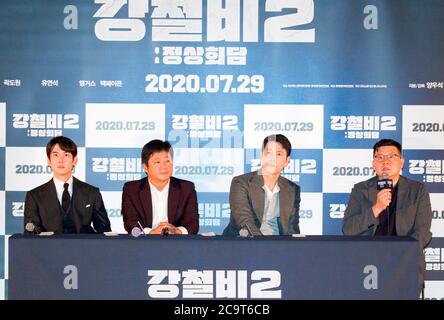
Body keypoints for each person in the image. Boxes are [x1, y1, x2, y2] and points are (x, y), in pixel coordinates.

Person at [342, 138, 432, 293]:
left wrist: (400, 254)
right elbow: (348, 229)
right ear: (373, 163)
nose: (385, 161)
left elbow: (423, 232)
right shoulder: (360, 189)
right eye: (380, 157)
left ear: (402, 162)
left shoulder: (417, 190)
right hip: (367, 265)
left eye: (391, 156)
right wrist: (376, 208)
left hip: (405, 263)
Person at [24, 136, 111, 234]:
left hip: (84, 248)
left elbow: (104, 230)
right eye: (56, 155)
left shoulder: (92, 193)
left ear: (75, 160)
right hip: (48, 248)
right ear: (49, 161)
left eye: (66, 155)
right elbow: (31, 233)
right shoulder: (34, 196)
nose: (61, 160)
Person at [223, 134, 300, 236]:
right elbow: (244, 222)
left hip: (279, 245)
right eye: (269, 153)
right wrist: (263, 245)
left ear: (287, 160)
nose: (273, 159)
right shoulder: (241, 182)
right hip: (244, 244)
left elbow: (292, 229)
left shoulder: (292, 189)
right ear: (262, 155)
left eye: (279, 154)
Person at [122, 139, 199, 235]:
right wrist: (151, 232)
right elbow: (130, 223)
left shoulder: (186, 188)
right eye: (157, 162)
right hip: (144, 244)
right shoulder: (132, 189)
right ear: (145, 167)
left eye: (167, 161)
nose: (164, 166)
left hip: (177, 244)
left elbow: (193, 223)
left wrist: (176, 231)